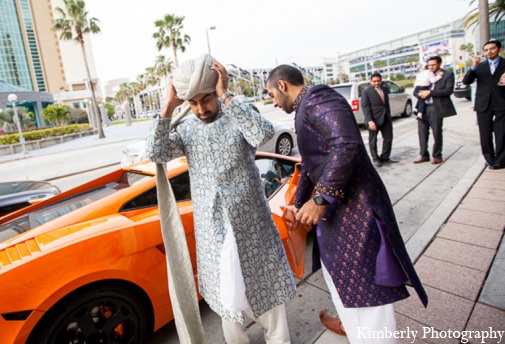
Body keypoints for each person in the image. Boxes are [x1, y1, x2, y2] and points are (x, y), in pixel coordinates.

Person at [265, 65, 428, 344]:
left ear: (282, 85)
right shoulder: (306, 106)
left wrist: (320, 199)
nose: (273, 102)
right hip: (340, 219)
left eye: (270, 94)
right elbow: (311, 163)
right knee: (347, 290)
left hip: (359, 215)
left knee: (369, 293)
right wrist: (299, 202)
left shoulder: (317, 98)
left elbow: (346, 144)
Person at [146, 54, 296, 344]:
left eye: (206, 99)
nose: (201, 108)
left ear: (215, 90)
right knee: (229, 307)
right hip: (214, 232)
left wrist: (225, 94)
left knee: (270, 302)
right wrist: (168, 106)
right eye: (193, 102)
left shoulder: (237, 113)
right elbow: (155, 153)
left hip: (252, 227)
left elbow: (262, 133)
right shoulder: (187, 129)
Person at [463, 39, 505, 169]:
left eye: (492, 49)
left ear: (499, 49)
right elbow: (466, 81)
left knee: (502, 133)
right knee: (485, 134)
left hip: (501, 102)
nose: (489, 52)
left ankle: (501, 160)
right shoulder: (479, 66)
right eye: (486, 50)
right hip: (483, 103)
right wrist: (473, 66)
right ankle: (489, 159)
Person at [413, 55, 456, 165]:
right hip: (423, 107)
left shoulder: (447, 75)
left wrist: (430, 93)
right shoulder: (425, 74)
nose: (431, 67)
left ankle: (437, 155)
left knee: (436, 132)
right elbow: (415, 90)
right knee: (422, 132)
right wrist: (419, 94)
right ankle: (423, 155)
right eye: (429, 65)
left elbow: (448, 91)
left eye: (433, 65)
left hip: (436, 107)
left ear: (439, 64)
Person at [360, 72, 397, 167]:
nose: (377, 83)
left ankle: (385, 157)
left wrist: (389, 115)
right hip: (373, 120)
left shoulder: (384, 89)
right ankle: (375, 159)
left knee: (388, 139)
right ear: (370, 81)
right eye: (374, 81)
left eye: (379, 81)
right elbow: (365, 107)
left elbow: (386, 104)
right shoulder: (366, 92)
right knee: (373, 141)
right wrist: (370, 121)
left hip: (386, 118)